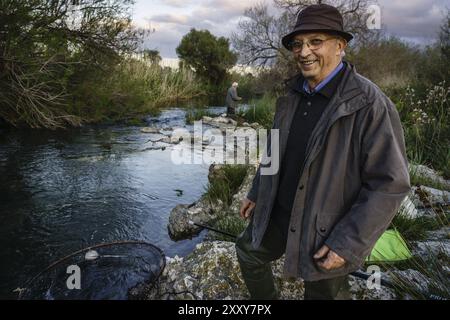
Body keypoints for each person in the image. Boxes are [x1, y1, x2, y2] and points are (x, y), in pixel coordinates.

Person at [236, 4, 410, 300]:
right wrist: (256, 191)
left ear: (340, 45)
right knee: (248, 252)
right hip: (279, 213)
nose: (304, 52)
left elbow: (390, 183)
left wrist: (348, 243)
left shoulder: (370, 104)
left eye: (316, 41)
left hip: (328, 227)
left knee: (322, 293)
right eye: (298, 44)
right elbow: (274, 150)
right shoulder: (291, 95)